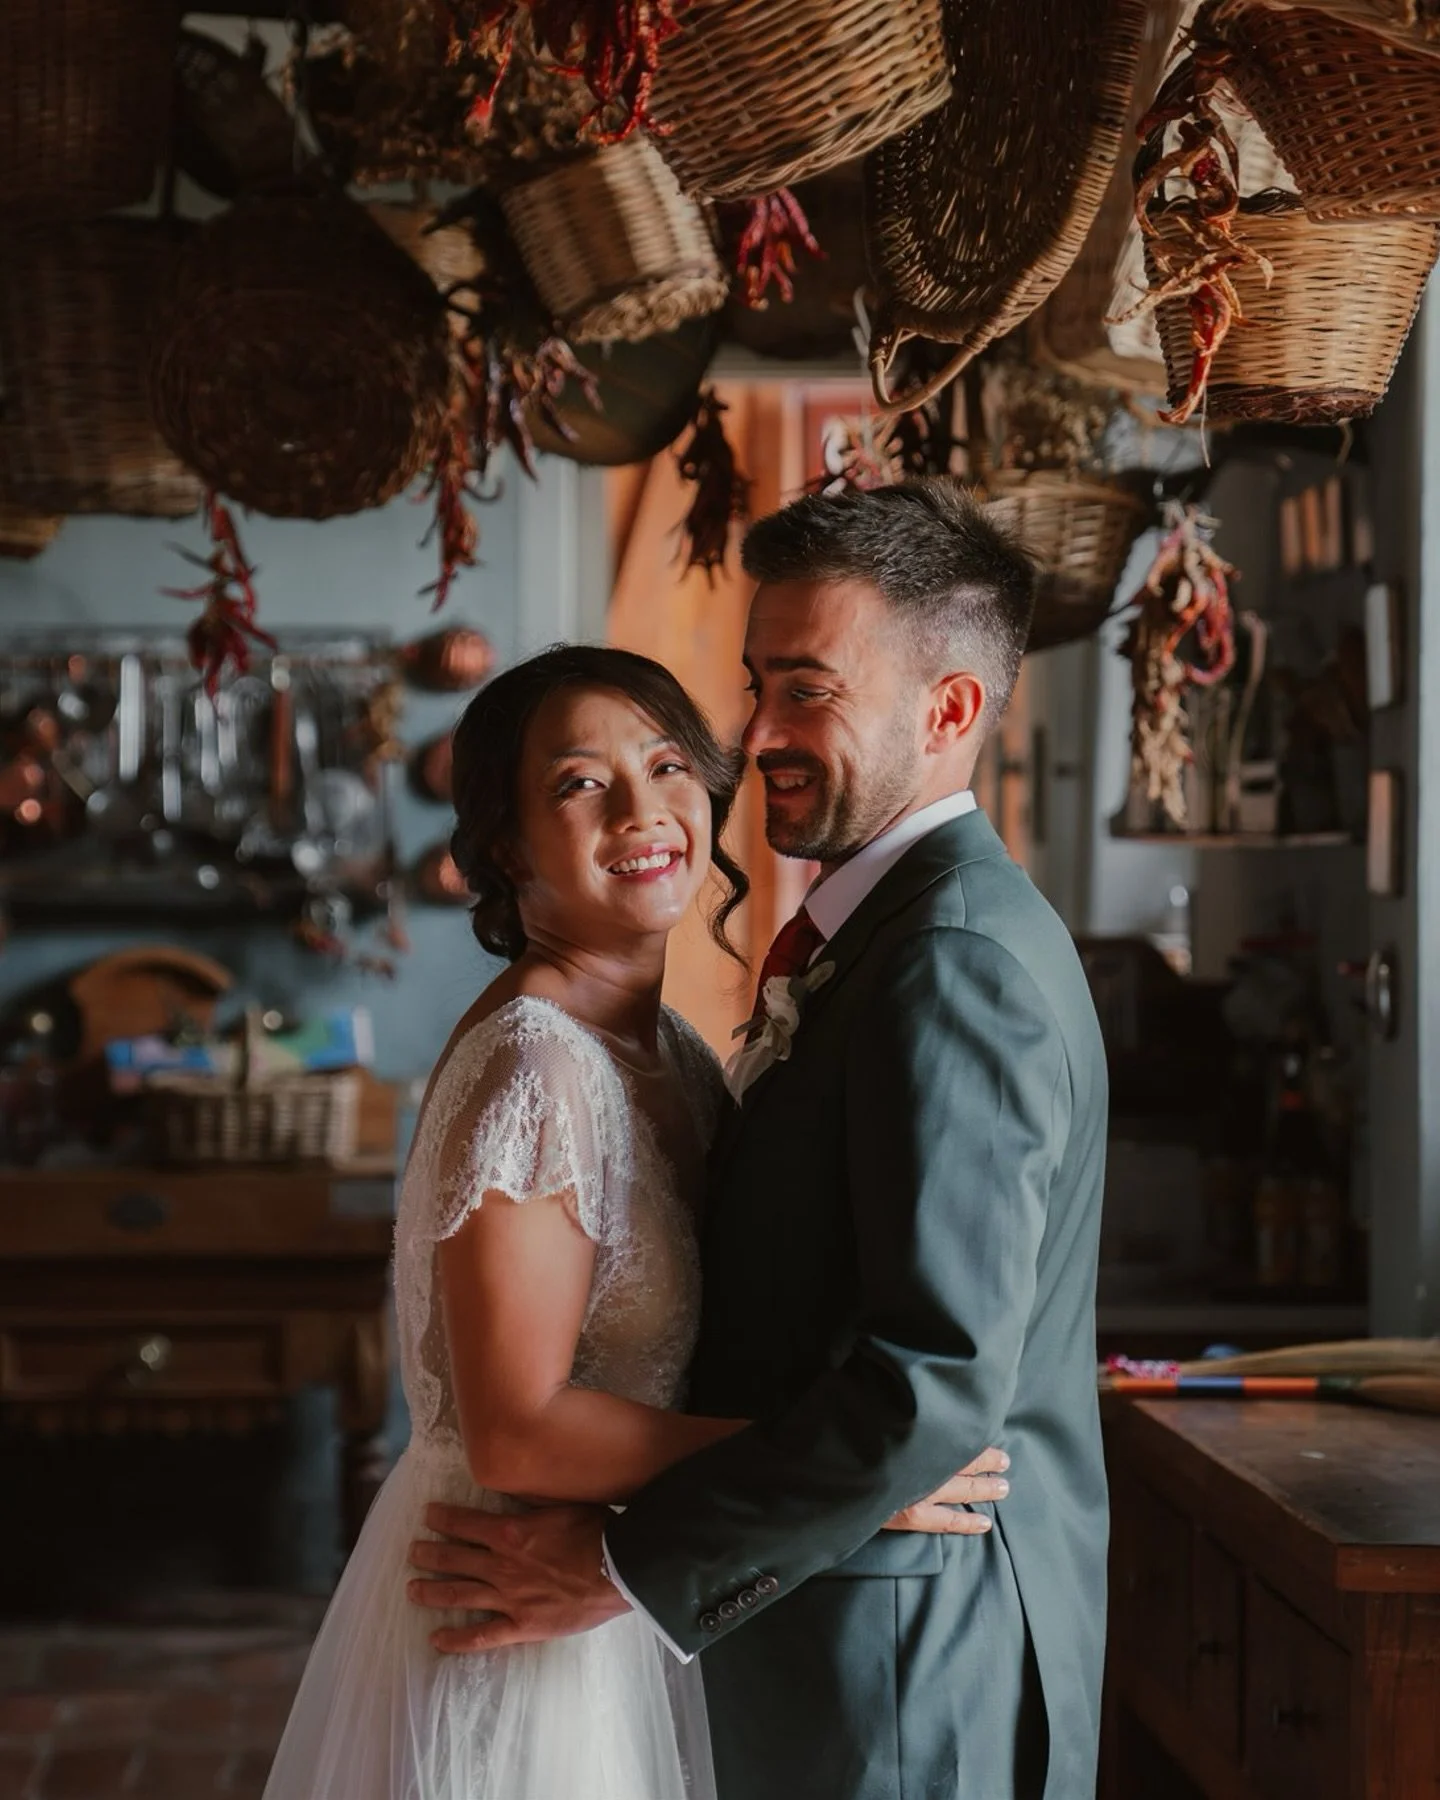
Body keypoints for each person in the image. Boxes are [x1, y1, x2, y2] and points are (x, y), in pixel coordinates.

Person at [410, 480, 1111, 1800]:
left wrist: (626, 1564)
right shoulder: (891, 941)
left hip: (905, 1661)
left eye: (806, 691)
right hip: (830, 1627)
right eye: (757, 686)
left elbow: (932, 1386)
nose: (756, 737)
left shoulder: (950, 961)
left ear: (947, 710)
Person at [262, 642, 1008, 1800]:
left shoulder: (666, 1051)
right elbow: (517, 1431)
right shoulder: (536, 1070)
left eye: (667, 767)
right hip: (520, 1620)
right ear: (507, 849)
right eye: (579, 783)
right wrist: (842, 1473)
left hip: (619, 1590)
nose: (642, 810)